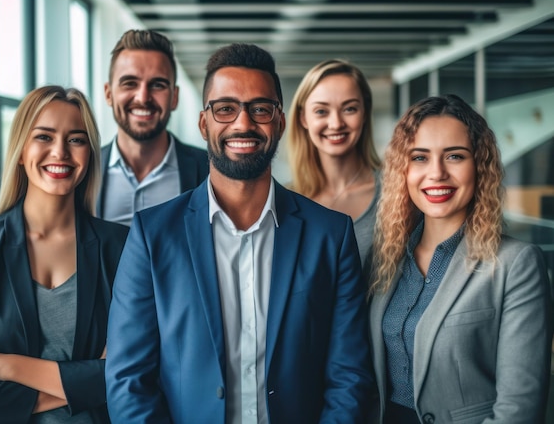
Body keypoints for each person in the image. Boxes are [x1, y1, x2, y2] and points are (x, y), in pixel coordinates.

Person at [105, 43, 373, 423]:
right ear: (203, 123)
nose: (243, 124)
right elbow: (128, 379)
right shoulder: (152, 235)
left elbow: (349, 375)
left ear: (279, 121)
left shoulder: (331, 235)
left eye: (260, 109)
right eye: (225, 109)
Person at [0, 86, 129, 423]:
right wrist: (85, 382)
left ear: (90, 155)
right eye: (44, 137)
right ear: (21, 151)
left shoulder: (121, 247)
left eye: (76, 139)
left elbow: (127, 373)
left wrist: (4, 365)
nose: (60, 152)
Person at [368, 94, 552, 423]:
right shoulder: (384, 260)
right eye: (420, 158)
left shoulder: (517, 264)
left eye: (454, 156)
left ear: (479, 165)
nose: (436, 173)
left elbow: (519, 409)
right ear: (403, 170)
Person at [97, 29, 209, 225]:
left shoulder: (210, 172)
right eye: (130, 83)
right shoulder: (83, 171)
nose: (143, 98)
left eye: (157, 85)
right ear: (108, 94)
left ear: (174, 97)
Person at [287, 59, 381, 263]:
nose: (336, 123)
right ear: (303, 118)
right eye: (321, 111)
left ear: (364, 112)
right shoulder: (285, 201)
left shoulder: (396, 192)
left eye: (349, 109)